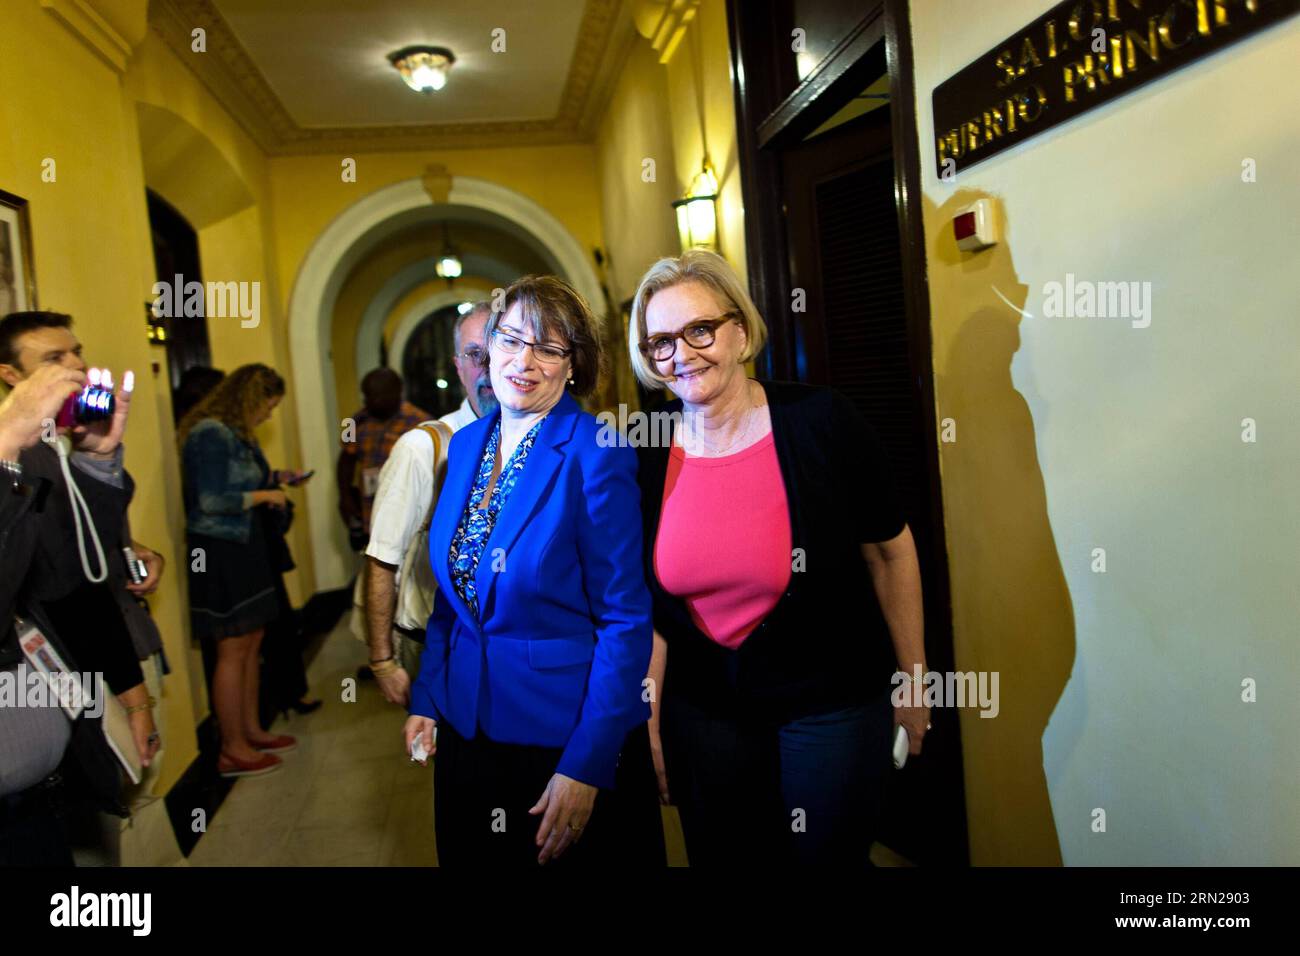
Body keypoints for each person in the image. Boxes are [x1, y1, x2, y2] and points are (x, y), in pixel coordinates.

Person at [627, 250, 930, 867]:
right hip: (706, 711)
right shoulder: (643, 446)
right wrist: (649, 717)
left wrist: (914, 680)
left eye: (700, 330)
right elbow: (649, 605)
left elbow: (891, 555)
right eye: (661, 342)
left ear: (740, 332)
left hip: (830, 702)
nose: (682, 354)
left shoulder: (821, 421)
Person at [404, 276, 659, 867]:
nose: (524, 361)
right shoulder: (466, 446)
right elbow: (451, 596)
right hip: (467, 727)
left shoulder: (598, 450)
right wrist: (427, 696)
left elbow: (624, 619)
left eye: (549, 348)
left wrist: (587, 762)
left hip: (562, 734)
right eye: (512, 340)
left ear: (574, 365)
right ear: (488, 347)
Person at [0, 312, 163, 785]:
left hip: (111, 641)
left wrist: (98, 460)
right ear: (10, 375)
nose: (75, 366)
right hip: (74, 667)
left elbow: (80, 543)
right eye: (55, 358)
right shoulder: (20, 456)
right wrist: (135, 700)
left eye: (76, 352)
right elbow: (66, 586)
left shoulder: (59, 441)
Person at [178, 364, 309, 778]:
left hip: (245, 546)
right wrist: (265, 494)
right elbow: (212, 499)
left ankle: (251, 730)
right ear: (249, 399)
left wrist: (275, 478)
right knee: (232, 648)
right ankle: (231, 748)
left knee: (253, 640)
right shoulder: (210, 433)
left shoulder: (232, 433)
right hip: (220, 551)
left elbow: (237, 479)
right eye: (267, 407)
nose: (268, 416)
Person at [363, 302, 497, 706]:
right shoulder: (423, 447)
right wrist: (383, 661)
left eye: (499, 351)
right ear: (458, 367)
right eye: (475, 356)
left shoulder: (535, 440)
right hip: (436, 643)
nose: (488, 369)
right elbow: (382, 558)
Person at [336, 368, 430, 549]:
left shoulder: (420, 422)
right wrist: (345, 496)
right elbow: (345, 460)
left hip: (406, 512)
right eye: (367, 396)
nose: (371, 402)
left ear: (397, 392)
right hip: (370, 510)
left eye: (378, 396)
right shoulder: (353, 422)